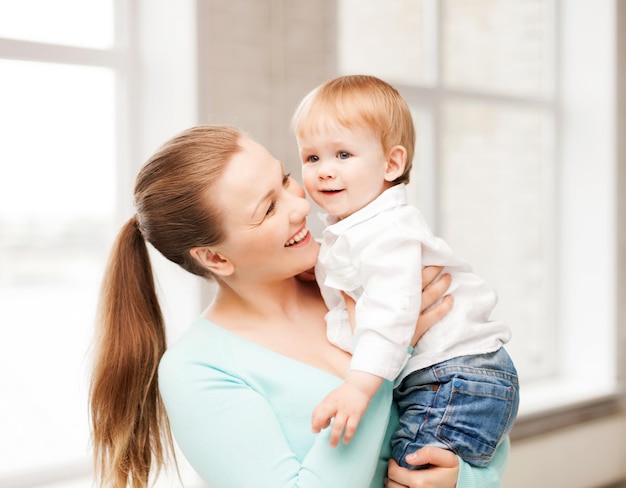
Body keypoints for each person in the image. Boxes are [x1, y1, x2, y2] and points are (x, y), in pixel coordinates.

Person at [89, 124, 511, 488]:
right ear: (215, 258)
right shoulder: (197, 369)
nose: (302, 205)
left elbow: (474, 403)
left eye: (286, 178)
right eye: (269, 208)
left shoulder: (366, 281)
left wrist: (465, 478)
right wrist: (385, 360)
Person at [291, 74, 519, 469]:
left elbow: (390, 315)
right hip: (456, 377)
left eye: (343, 154)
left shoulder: (388, 232)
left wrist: (359, 389)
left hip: (455, 377)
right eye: (312, 158)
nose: (324, 170)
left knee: (408, 474)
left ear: (392, 163)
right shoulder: (358, 229)